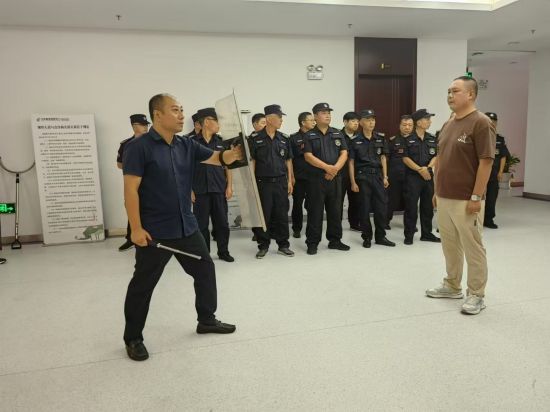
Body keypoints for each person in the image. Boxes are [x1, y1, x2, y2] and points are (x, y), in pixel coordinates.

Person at [122, 93, 243, 361]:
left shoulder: (186, 145)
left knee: (205, 270)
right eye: (175, 110)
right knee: (143, 285)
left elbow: (217, 158)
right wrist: (136, 229)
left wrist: (234, 154)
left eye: (182, 110)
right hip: (155, 231)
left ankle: (206, 319)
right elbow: (130, 191)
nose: (181, 115)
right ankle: (133, 338)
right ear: (157, 115)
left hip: (186, 227)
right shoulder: (138, 148)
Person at [426, 76, 496, 315]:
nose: (450, 95)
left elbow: (486, 162)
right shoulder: (449, 123)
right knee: (450, 244)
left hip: (467, 199)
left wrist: (476, 197)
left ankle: (476, 294)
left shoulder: (481, 122)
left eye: (455, 91)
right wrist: (437, 190)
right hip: (445, 196)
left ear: (471, 94)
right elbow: (441, 159)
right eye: (448, 91)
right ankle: (452, 285)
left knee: (473, 247)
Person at [303, 102, 350, 255]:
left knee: (335, 211)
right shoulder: (309, 135)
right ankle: (312, 243)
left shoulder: (337, 133)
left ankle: (335, 241)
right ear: (315, 116)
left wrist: (334, 169)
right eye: (324, 113)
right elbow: (308, 156)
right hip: (316, 180)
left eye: (329, 112)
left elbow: (344, 153)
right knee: (315, 212)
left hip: (335, 179)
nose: (328, 115)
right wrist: (327, 168)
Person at [248, 105, 294, 259]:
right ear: (268, 119)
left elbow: (288, 160)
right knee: (264, 216)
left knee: (281, 215)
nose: (281, 120)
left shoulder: (284, 138)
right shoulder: (255, 139)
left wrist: (290, 180)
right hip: (263, 183)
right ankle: (263, 245)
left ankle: (283, 245)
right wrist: (252, 183)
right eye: (279, 117)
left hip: (281, 182)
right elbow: (252, 161)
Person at [191, 107, 234, 262]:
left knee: (222, 223)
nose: (219, 124)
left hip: (219, 189)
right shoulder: (191, 143)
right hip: (199, 190)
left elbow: (228, 166)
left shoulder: (222, 142)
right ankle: (204, 254)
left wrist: (229, 186)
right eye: (217, 121)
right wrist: (189, 189)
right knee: (201, 225)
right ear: (207, 122)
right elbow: (185, 168)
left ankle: (223, 251)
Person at [348, 109, 395, 248]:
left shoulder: (380, 138)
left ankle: (381, 237)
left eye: (373, 120)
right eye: (368, 120)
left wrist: (385, 177)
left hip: (378, 176)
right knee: (364, 208)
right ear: (361, 122)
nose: (371, 122)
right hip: (362, 177)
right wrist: (353, 182)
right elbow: (351, 162)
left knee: (381, 207)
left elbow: (383, 158)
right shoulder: (355, 140)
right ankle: (367, 237)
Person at [402, 108, 440, 245]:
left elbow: (436, 155)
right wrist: (419, 169)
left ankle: (427, 233)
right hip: (413, 177)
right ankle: (409, 235)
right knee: (411, 207)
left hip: (428, 176)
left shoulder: (432, 138)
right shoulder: (407, 139)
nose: (430, 122)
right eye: (427, 119)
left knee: (428, 207)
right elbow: (405, 158)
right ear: (418, 122)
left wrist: (428, 168)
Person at [116, 114, 150, 252]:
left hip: (151, 183)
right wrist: (135, 167)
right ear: (134, 126)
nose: (146, 127)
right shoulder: (126, 144)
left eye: (146, 125)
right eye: (143, 125)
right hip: (134, 183)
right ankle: (131, 238)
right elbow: (119, 164)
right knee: (133, 209)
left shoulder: (153, 142)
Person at [289, 112, 315, 238]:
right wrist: (291, 177)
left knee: (313, 205)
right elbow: (290, 159)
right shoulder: (293, 138)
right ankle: (296, 229)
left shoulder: (316, 136)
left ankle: (312, 228)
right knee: (297, 204)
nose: (314, 122)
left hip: (314, 177)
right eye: (311, 120)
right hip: (299, 178)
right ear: (303, 122)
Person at [386, 115, 414, 229]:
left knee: (411, 201)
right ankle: (385, 221)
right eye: (404, 125)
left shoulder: (417, 140)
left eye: (410, 125)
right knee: (391, 199)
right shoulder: (393, 140)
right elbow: (386, 158)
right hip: (395, 175)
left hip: (412, 176)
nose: (407, 127)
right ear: (400, 126)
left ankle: (410, 224)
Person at [483, 112, 510, 229]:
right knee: (478, 197)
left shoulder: (500, 139)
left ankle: (488, 219)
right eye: (490, 121)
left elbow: (503, 156)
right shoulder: (478, 137)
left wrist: (500, 172)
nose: (492, 123)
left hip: (494, 174)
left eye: (494, 121)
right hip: (480, 173)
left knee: (492, 197)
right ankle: (476, 219)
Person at [340, 112, 362, 231]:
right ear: (345, 122)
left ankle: (354, 223)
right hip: (341, 174)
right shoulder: (337, 135)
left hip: (356, 173)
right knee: (338, 201)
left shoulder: (360, 136)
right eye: (353, 121)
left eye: (357, 121)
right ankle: (336, 224)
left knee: (356, 200)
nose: (356, 123)